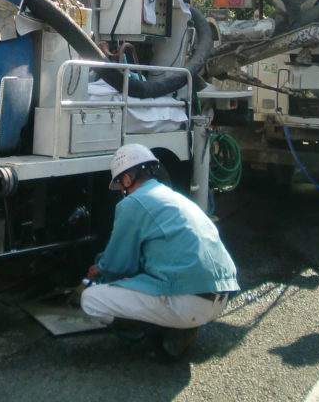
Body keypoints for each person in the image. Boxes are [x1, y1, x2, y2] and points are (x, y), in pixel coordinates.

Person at [80, 143, 239, 361]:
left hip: (189, 302)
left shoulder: (132, 203)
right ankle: (181, 325)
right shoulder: (176, 198)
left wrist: (99, 269)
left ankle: (171, 330)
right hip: (221, 296)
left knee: (90, 299)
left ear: (127, 179)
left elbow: (118, 265)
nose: (122, 191)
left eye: (121, 185)